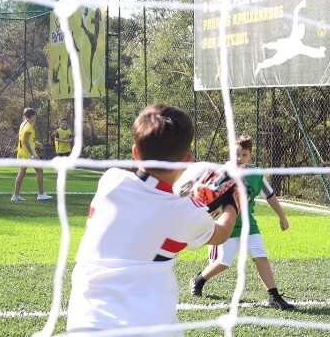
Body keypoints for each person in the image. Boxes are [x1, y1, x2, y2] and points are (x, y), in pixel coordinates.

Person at [65, 104, 239, 335]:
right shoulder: (185, 213)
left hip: (85, 324)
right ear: (187, 161)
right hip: (150, 327)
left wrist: (193, 200)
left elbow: (151, 196)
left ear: (135, 152)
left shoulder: (110, 181)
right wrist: (233, 202)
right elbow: (221, 234)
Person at [188, 135, 296, 309]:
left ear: (250, 156)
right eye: (236, 154)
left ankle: (274, 296)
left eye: (244, 154)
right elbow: (206, 200)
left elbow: (270, 196)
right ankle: (198, 280)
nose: (240, 158)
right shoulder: (221, 175)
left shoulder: (256, 174)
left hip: (248, 224)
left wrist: (282, 216)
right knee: (224, 263)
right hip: (225, 226)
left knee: (260, 257)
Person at [11, 108, 51, 201]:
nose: (35, 117)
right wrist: (33, 154)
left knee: (21, 173)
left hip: (22, 152)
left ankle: (16, 195)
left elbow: (26, 139)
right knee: (40, 170)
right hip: (28, 153)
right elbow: (26, 141)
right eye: (34, 116)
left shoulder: (23, 124)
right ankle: (41, 194)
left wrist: (36, 143)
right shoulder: (28, 127)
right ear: (32, 116)